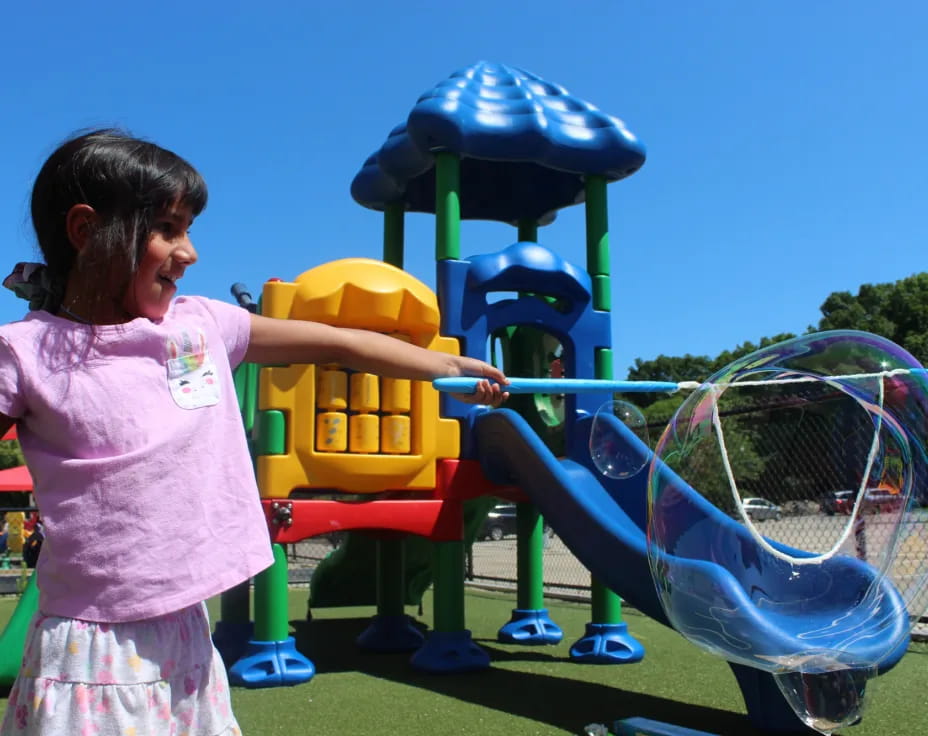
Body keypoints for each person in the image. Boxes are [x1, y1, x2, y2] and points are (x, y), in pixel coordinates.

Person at [0, 129, 509, 735]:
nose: (189, 252)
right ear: (85, 232)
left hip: (186, 628)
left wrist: (445, 366)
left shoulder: (200, 326)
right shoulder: (27, 351)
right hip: (91, 642)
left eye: (189, 229)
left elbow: (338, 342)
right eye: (168, 229)